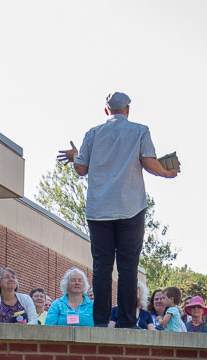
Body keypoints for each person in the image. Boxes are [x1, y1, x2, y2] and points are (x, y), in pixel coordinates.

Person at [58, 91, 179, 328]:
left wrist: (75, 157)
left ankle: (101, 320)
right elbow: (149, 162)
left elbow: (81, 168)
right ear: (128, 110)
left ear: (107, 111)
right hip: (130, 208)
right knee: (128, 267)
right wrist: (168, 172)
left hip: (99, 209)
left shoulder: (93, 134)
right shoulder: (140, 131)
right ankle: (126, 320)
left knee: (102, 267)